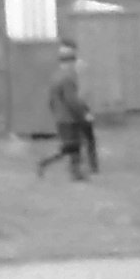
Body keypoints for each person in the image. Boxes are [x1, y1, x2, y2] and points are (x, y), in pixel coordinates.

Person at [36, 44, 97, 180]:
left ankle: (75, 173)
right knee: (70, 147)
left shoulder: (55, 77)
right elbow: (72, 100)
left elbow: (51, 100)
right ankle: (45, 162)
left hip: (61, 117)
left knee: (72, 146)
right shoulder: (68, 79)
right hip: (69, 118)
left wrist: (56, 113)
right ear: (70, 62)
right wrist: (84, 114)